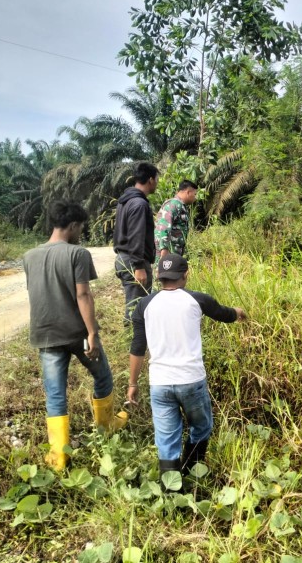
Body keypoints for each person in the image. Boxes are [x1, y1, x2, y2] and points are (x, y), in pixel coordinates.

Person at [23, 201, 128, 471]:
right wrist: (92, 332)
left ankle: (59, 457)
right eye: (80, 227)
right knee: (102, 376)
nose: (81, 232)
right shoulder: (77, 254)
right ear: (72, 226)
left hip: (45, 335)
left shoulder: (29, 256)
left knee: (55, 394)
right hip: (76, 333)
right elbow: (83, 294)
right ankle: (106, 428)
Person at [126, 254, 246, 478]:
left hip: (160, 383)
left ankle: (171, 491)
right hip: (191, 381)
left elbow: (137, 348)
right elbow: (225, 314)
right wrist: (239, 312)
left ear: (160, 277)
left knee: (166, 439)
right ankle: (193, 473)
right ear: (185, 275)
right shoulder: (197, 299)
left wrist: (132, 383)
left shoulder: (145, 304)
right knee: (201, 428)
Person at [114, 162, 159, 323]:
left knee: (134, 304)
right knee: (137, 308)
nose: (157, 183)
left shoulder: (125, 201)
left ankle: (134, 343)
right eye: (157, 179)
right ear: (150, 180)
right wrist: (139, 266)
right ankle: (134, 345)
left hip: (124, 258)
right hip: (133, 262)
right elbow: (135, 236)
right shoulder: (139, 204)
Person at [154, 180, 198, 260]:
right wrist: (164, 250)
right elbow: (163, 227)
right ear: (188, 192)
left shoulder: (180, 206)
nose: (195, 198)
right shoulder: (174, 204)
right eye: (194, 194)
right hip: (167, 254)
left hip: (173, 254)